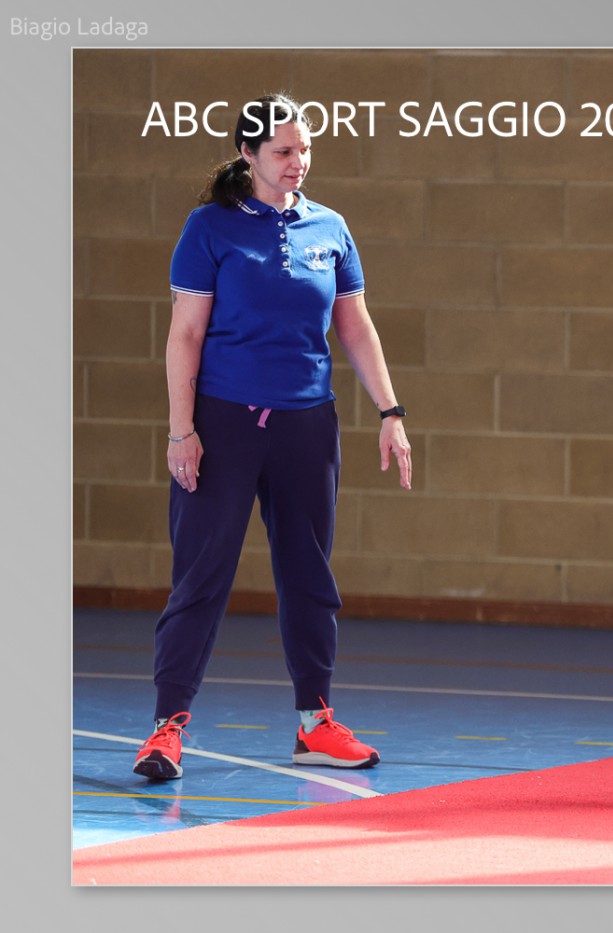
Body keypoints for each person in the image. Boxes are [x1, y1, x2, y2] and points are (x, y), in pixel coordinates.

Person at [133, 93, 412, 781]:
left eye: (305, 149)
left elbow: (355, 326)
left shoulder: (330, 228)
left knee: (310, 576)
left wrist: (390, 411)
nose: (298, 162)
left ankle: (315, 723)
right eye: (284, 151)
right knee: (200, 577)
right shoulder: (209, 227)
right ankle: (166, 728)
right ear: (248, 154)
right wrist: (181, 430)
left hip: (306, 427)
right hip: (222, 425)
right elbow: (185, 335)